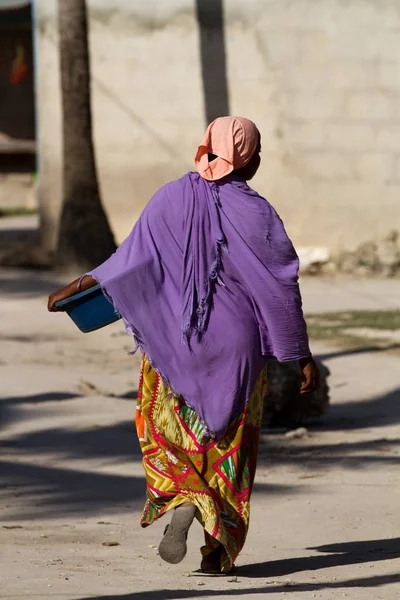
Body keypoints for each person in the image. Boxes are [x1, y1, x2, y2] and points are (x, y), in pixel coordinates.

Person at [48, 116, 319, 574]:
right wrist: (300, 354)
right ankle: (216, 553)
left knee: (168, 433)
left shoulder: (171, 196)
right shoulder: (258, 213)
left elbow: (130, 257)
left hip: (175, 344)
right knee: (231, 449)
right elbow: (280, 287)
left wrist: (78, 285)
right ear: (249, 159)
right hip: (237, 350)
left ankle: (185, 493)